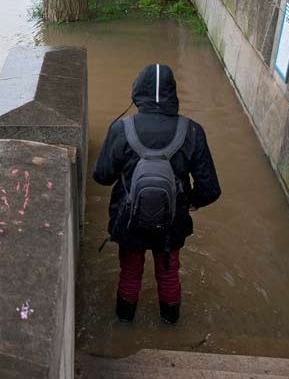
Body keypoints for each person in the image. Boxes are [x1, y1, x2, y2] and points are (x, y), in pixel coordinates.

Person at [93, 63, 221, 325]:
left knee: (129, 272)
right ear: (174, 93)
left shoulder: (121, 129)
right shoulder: (192, 131)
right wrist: (191, 201)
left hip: (129, 220)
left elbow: (102, 176)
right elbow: (210, 189)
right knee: (169, 273)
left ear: (137, 92)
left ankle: (124, 326)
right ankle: (171, 325)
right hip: (171, 223)